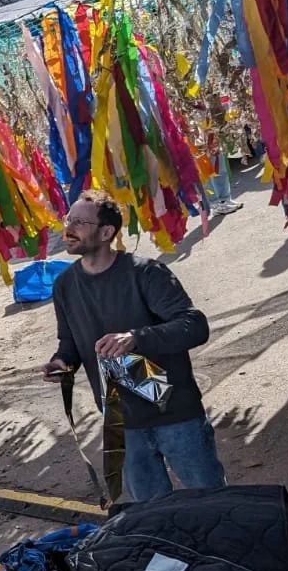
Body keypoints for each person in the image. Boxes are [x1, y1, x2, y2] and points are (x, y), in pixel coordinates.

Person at [41, 190, 225, 502]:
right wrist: (61, 362)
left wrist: (135, 338)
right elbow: (69, 342)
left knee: (212, 505)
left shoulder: (145, 272)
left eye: (80, 222)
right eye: (68, 220)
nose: (68, 228)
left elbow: (194, 325)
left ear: (106, 232)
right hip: (121, 424)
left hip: (175, 414)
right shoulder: (64, 286)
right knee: (152, 516)